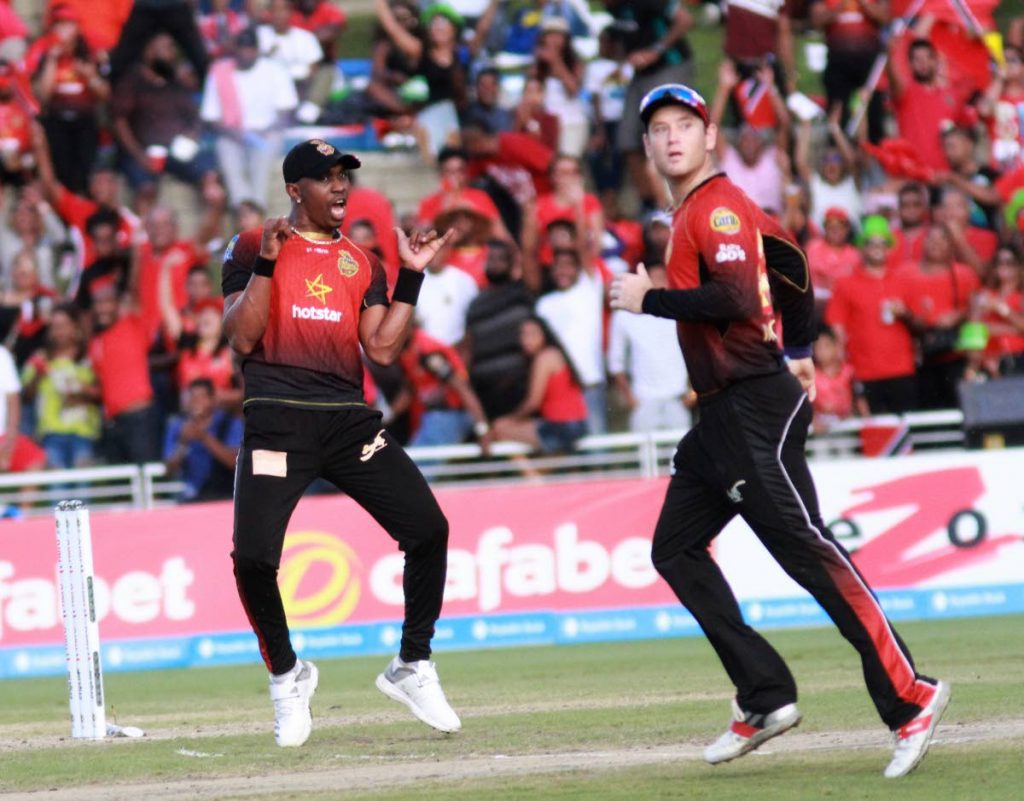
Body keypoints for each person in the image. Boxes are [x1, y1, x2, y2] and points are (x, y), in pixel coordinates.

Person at [609, 83, 948, 778]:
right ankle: (765, 694)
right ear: (647, 146)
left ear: (709, 138)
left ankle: (912, 696)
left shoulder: (720, 204)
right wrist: (798, 349)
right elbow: (790, 265)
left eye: (685, 125)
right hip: (722, 417)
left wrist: (650, 300)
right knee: (674, 549)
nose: (672, 137)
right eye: (660, 129)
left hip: (752, 408)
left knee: (811, 556)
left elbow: (736, 295)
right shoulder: (705, 211)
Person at [221, 139, 461, 747]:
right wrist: (269, 266)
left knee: (428, 529)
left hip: (348, 422)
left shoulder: (363, 263)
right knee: (252, 559)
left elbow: (381, 349)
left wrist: (411, 275)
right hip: (277, 421)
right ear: (294, 189)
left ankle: (412, 663)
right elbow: (241, 340)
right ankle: (287, 676)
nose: (339, 189)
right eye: (326, 179)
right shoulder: (254, 244)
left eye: (343, 178)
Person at [607, 263, 689, 433]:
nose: (658, 284)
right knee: (644, 457)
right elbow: (615, 362)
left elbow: (700, 353)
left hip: (677, 399)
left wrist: (692, 394)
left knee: (683, 457)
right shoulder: (624, 315)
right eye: (653, 279)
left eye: (662, 279)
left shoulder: (682, 312)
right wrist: (631, 399)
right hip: (643, 402)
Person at [487, 315, 588, 453]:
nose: (527, 340)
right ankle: (535, 473)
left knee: (499, 428)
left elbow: (533, 402)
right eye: (523, 335)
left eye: (532, 334)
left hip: (563, 427)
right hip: (574, 425)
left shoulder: (544, 357)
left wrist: (511, 419)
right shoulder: (554, 354)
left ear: (544, 334)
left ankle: (532, 474)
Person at [163, 377, 241, 502]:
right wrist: (182, 443)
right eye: (193, 398)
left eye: (201, 397)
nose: (196, 402)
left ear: (212, 400)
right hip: (191, 495)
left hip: (224, 494)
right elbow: (168, 471)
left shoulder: (230, 423)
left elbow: (234, 462)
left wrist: (203, 437)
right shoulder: (178, 426)